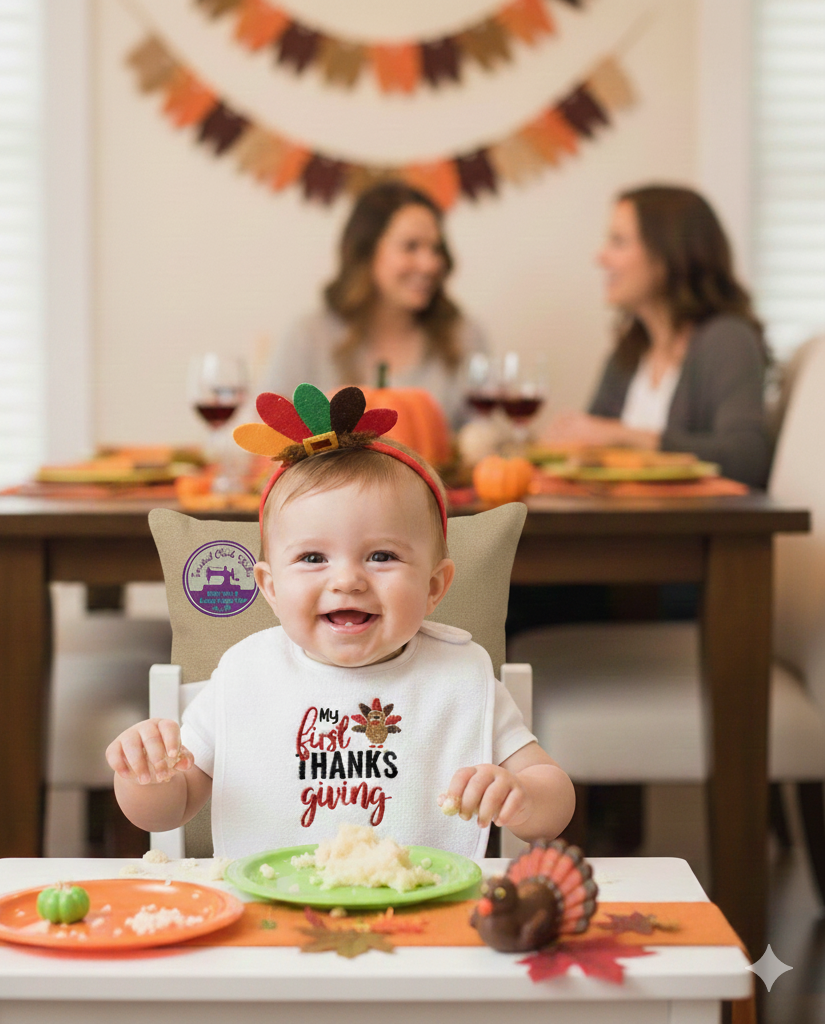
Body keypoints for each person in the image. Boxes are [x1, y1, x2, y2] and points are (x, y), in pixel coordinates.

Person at [107, 388, 574, 858]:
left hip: (425, 911)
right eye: (313, 557)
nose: (348, 579)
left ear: (434, 587)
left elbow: (553, 798)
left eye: (382, 556)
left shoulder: (461, 676)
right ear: (270, 587)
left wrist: (523, 796)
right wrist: (147, 777)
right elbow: (168, 809)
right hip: (271, 913)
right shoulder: (245, 674)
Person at [542, 185, 772, 488]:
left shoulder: (727, 339)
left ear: (667, 254)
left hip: (683, 532)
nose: (601, 257)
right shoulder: (631, 350)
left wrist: (624, 436)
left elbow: (747, 459)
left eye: (619, 242)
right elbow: (591, 449)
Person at [262, 182, 486, 430]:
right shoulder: (308, 336)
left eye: (436, 249)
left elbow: (489, 432)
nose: (430, 264)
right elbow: (261, 428)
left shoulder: (464, 335)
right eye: (411, 246)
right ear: (366, 252)